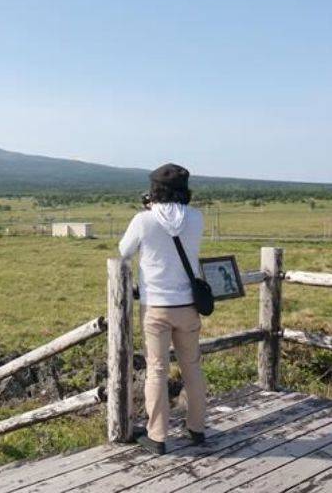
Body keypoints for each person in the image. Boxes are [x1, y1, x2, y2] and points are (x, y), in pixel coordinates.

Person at [119, 163, 206, 455]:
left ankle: (157, 436)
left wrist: (148, 209)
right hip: (188, 307)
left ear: (154, 190)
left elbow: (124, 251)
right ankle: (197, 428)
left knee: (157, 370)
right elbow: (177, 225)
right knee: (192, 367)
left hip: (156, 306)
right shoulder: (196, 218)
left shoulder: (143, 220)